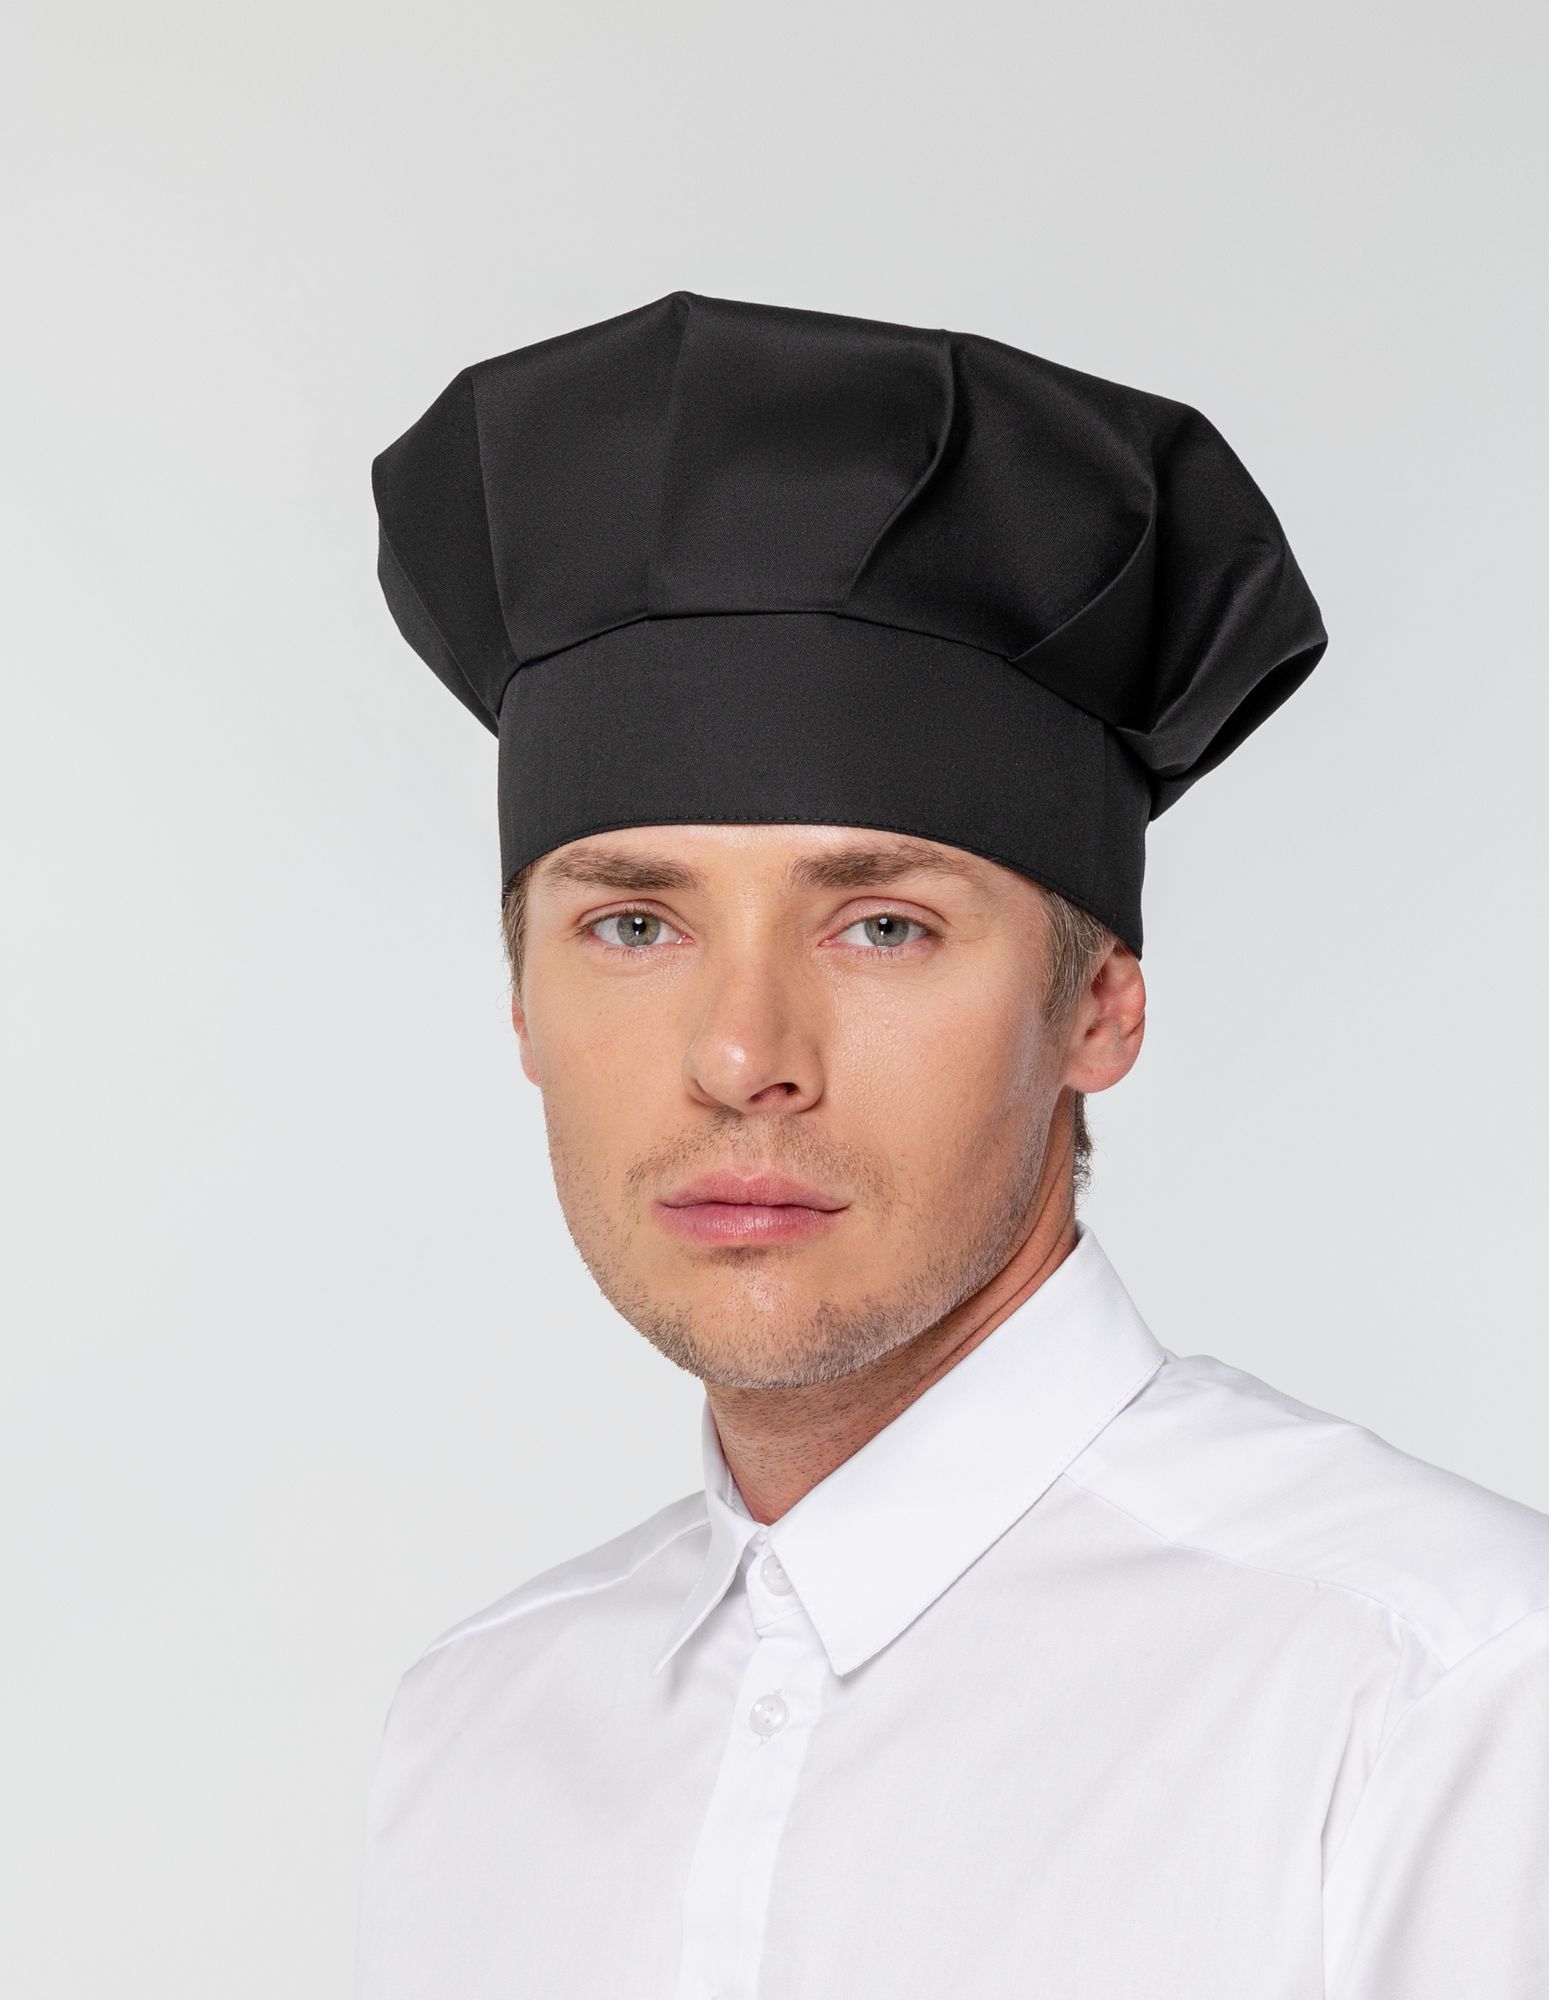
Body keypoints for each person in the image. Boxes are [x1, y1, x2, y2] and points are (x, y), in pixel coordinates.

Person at [356, 291, 1549, 1999]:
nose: (741, 1058)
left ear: (1097, 1011)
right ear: (522, 1008)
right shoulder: (480, 1730)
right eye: (632, 925)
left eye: (881, 928)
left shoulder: (1445, 1691)